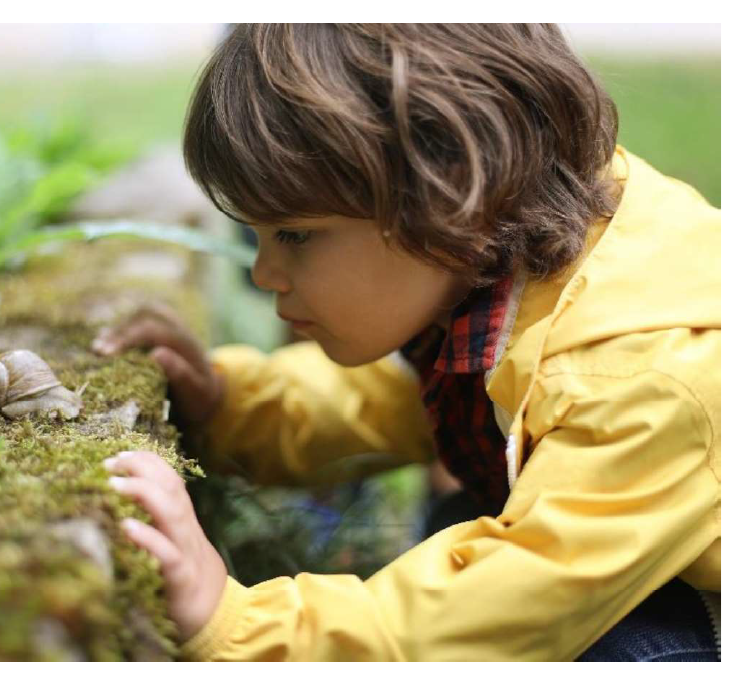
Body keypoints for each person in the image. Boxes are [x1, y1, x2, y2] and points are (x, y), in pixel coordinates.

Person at [92, 24, 721, 661]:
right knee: (456, 525)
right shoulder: (520, 248)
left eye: (297, 235)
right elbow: (404, 397)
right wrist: (230, 401)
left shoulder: (635, 372)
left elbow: (508, 607)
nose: (263, 274)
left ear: (450, 191)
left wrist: (237, 619)